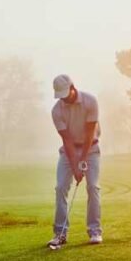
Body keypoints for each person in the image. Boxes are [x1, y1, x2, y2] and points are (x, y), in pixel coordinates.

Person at [47, 74, 102, 249]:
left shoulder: (90, 101)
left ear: (73, 87)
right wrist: (75, 166)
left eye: (66, 94)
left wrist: (82, 162)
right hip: (68, 151)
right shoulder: (57, 110)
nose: (64, 99)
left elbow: (89, 134)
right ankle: (60, 233)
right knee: (61, 187)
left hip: (90, 148)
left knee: (93, 186)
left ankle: (95, 231)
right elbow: (67, 141)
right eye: (60, 95)